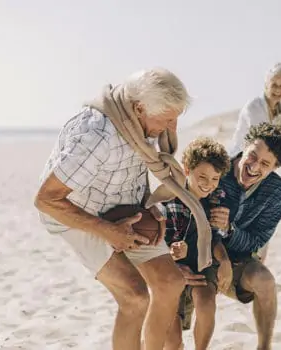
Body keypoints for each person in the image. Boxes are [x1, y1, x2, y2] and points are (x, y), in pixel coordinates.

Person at [34, 68, 213, 350]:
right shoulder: (96, 137)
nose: (170, 127)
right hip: (75, 212)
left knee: (170, 282)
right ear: (140, 108)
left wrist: (148, 207)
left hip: (120, 206)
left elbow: (134, 168)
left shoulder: (141, 121)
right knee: (135, 297)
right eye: (167, 119)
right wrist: (107, 231)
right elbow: (46, 199)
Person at [208, 122, 281, 350]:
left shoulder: (277, 191)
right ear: (245, 146)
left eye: (265, 164)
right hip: (197, 252)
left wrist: (230, 230)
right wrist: (220, 257)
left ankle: (264, 347)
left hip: (239, 260)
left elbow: (257, 241)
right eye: (252, 156)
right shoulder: (215, 168)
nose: (254, 166)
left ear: (274, 168)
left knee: (265, 281)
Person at [227, 62, 281, 262]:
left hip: (262, 166)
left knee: (263, 215)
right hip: (241, 162)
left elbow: (276, 145)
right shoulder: (254, 107)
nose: (278, 90)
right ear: (266, 84)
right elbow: (262, 141)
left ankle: (257, 263)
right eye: (274, 84)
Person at [162, 137, 233, 350]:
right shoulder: (170, 201)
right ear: (186, 170)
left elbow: (215, 238)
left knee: (207, 304)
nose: (208, 184)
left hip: (201, 266)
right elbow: (154, 248)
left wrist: (225, 261)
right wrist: (172, 254)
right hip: (169, 271)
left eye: (215, 178)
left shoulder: (214, 200)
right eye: (202, 176)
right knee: (173, 341)